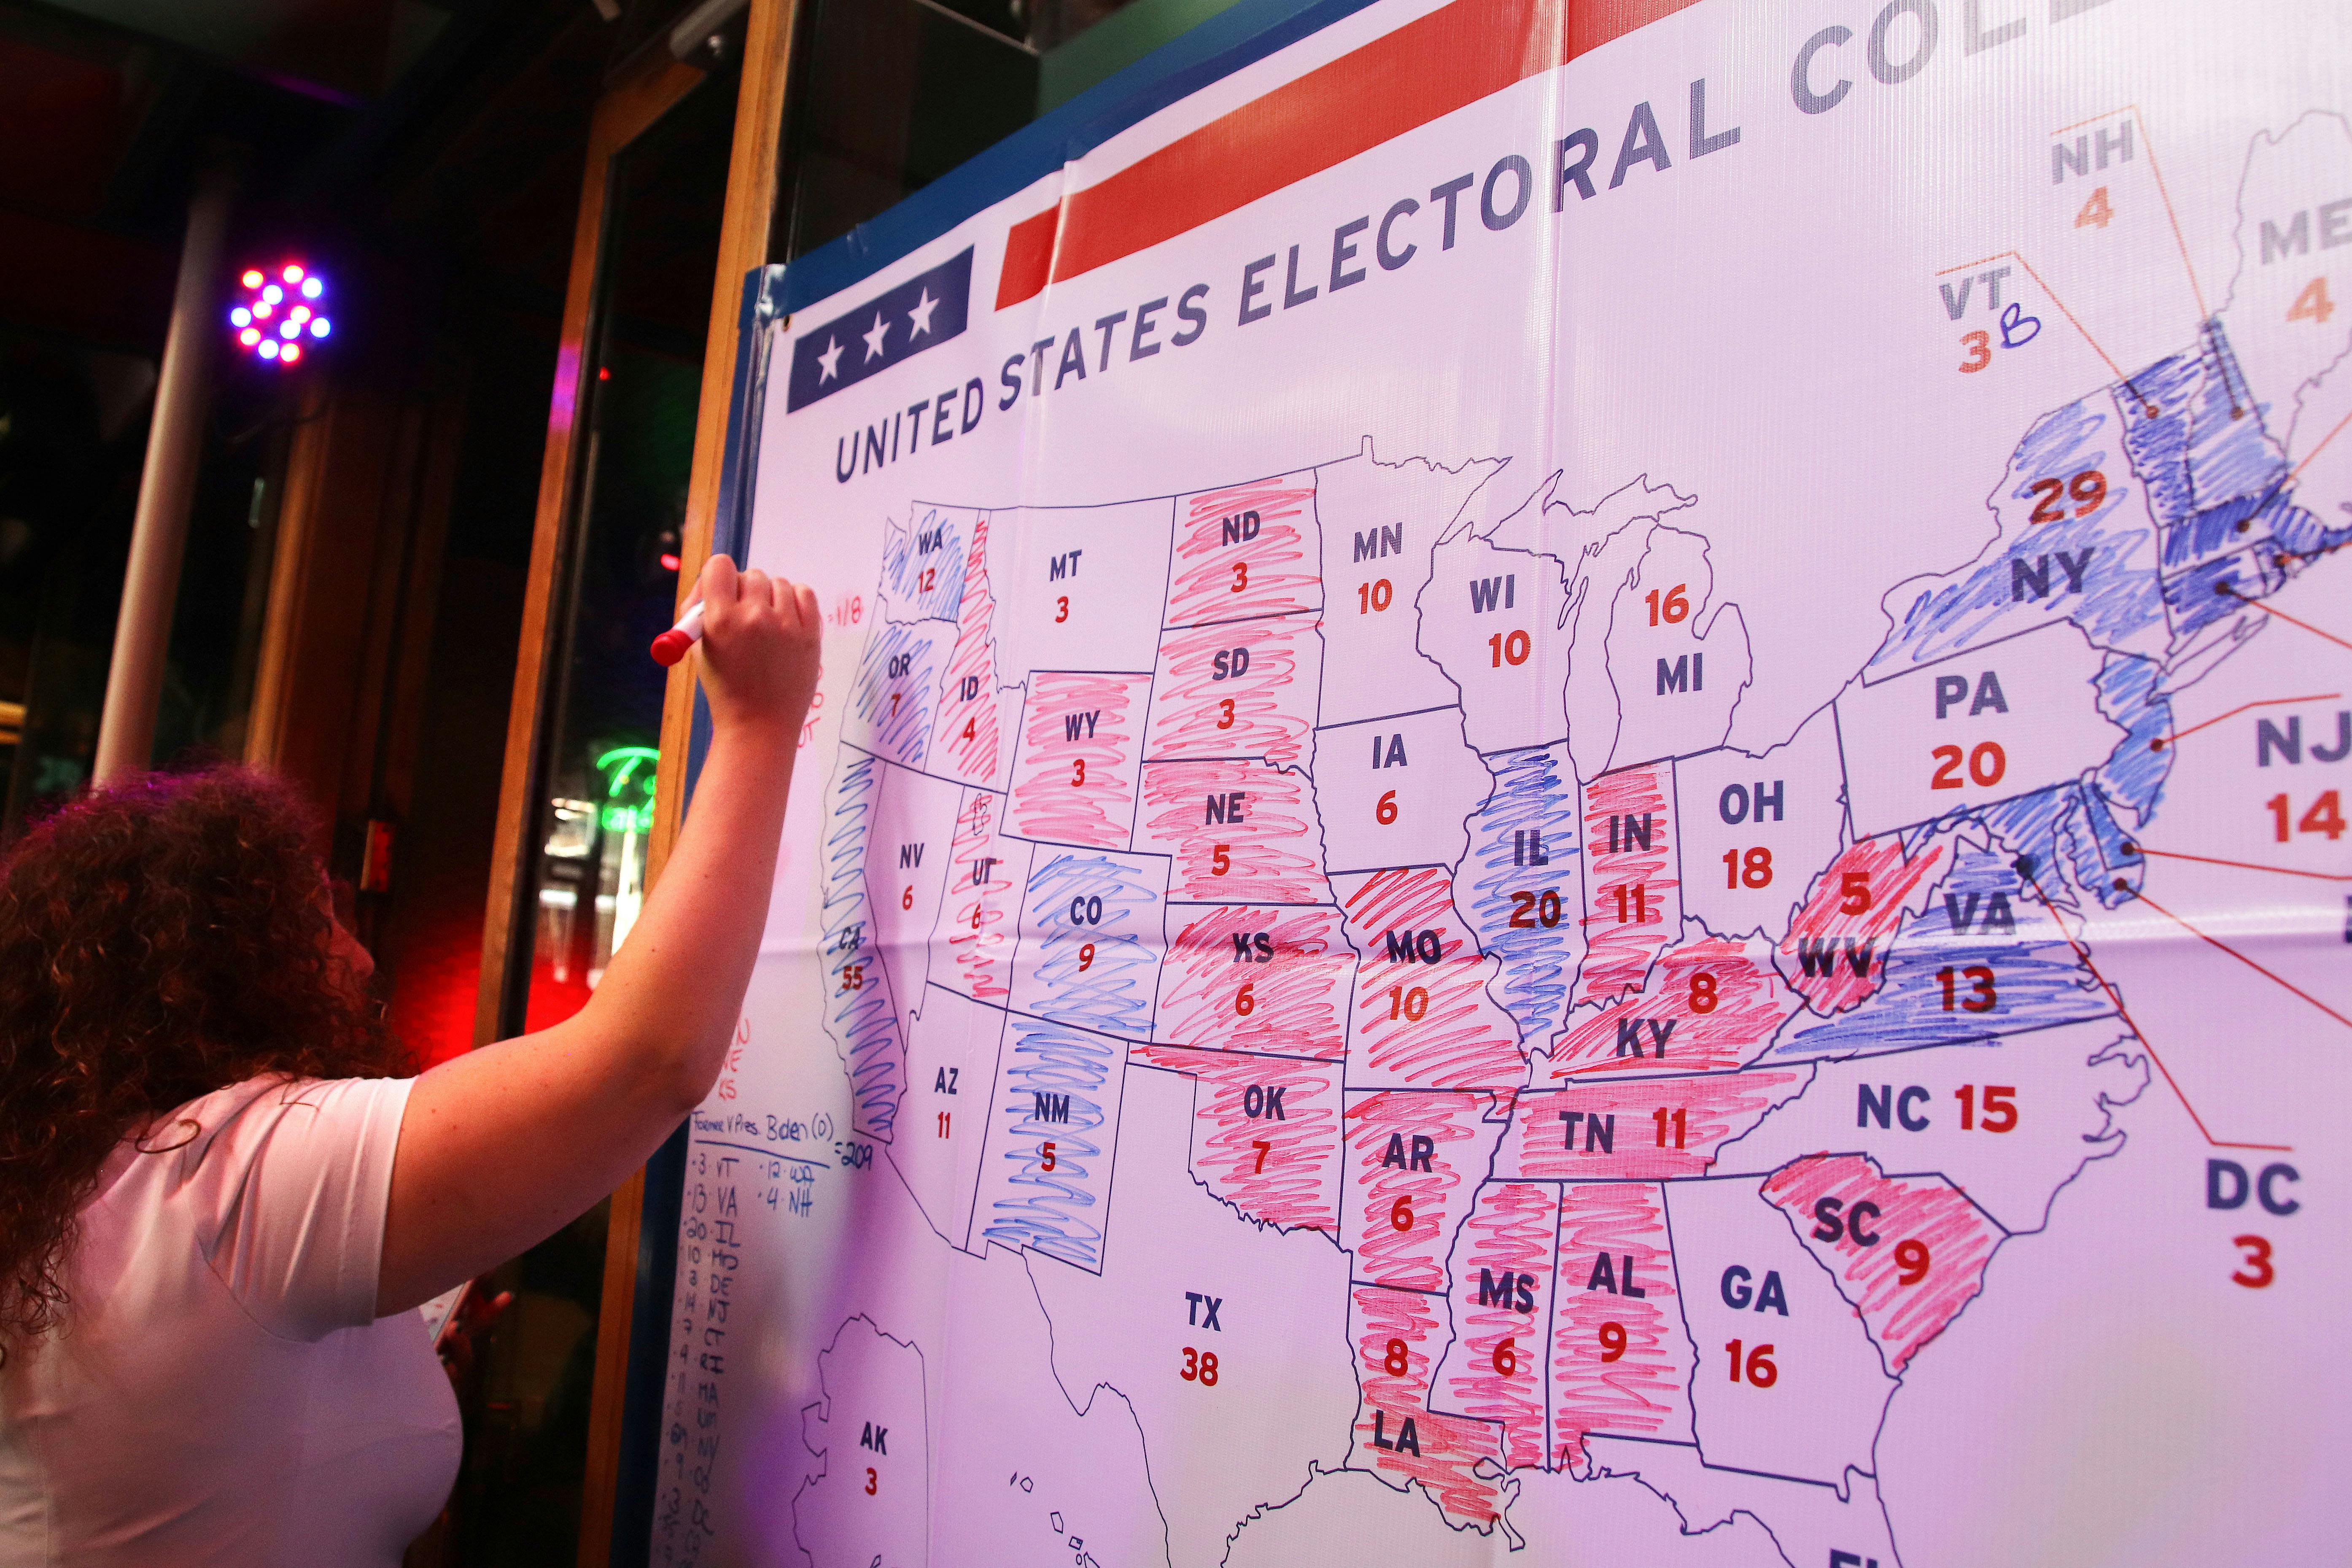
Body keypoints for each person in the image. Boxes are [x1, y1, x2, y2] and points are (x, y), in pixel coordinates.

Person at [0, 558, 819, 1564]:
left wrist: (372, 1384)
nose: (359, 954)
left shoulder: (88, 1187)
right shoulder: (223, 1173)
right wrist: (758, 723)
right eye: (321, 922)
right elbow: (647, 1060)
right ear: (218, 971)